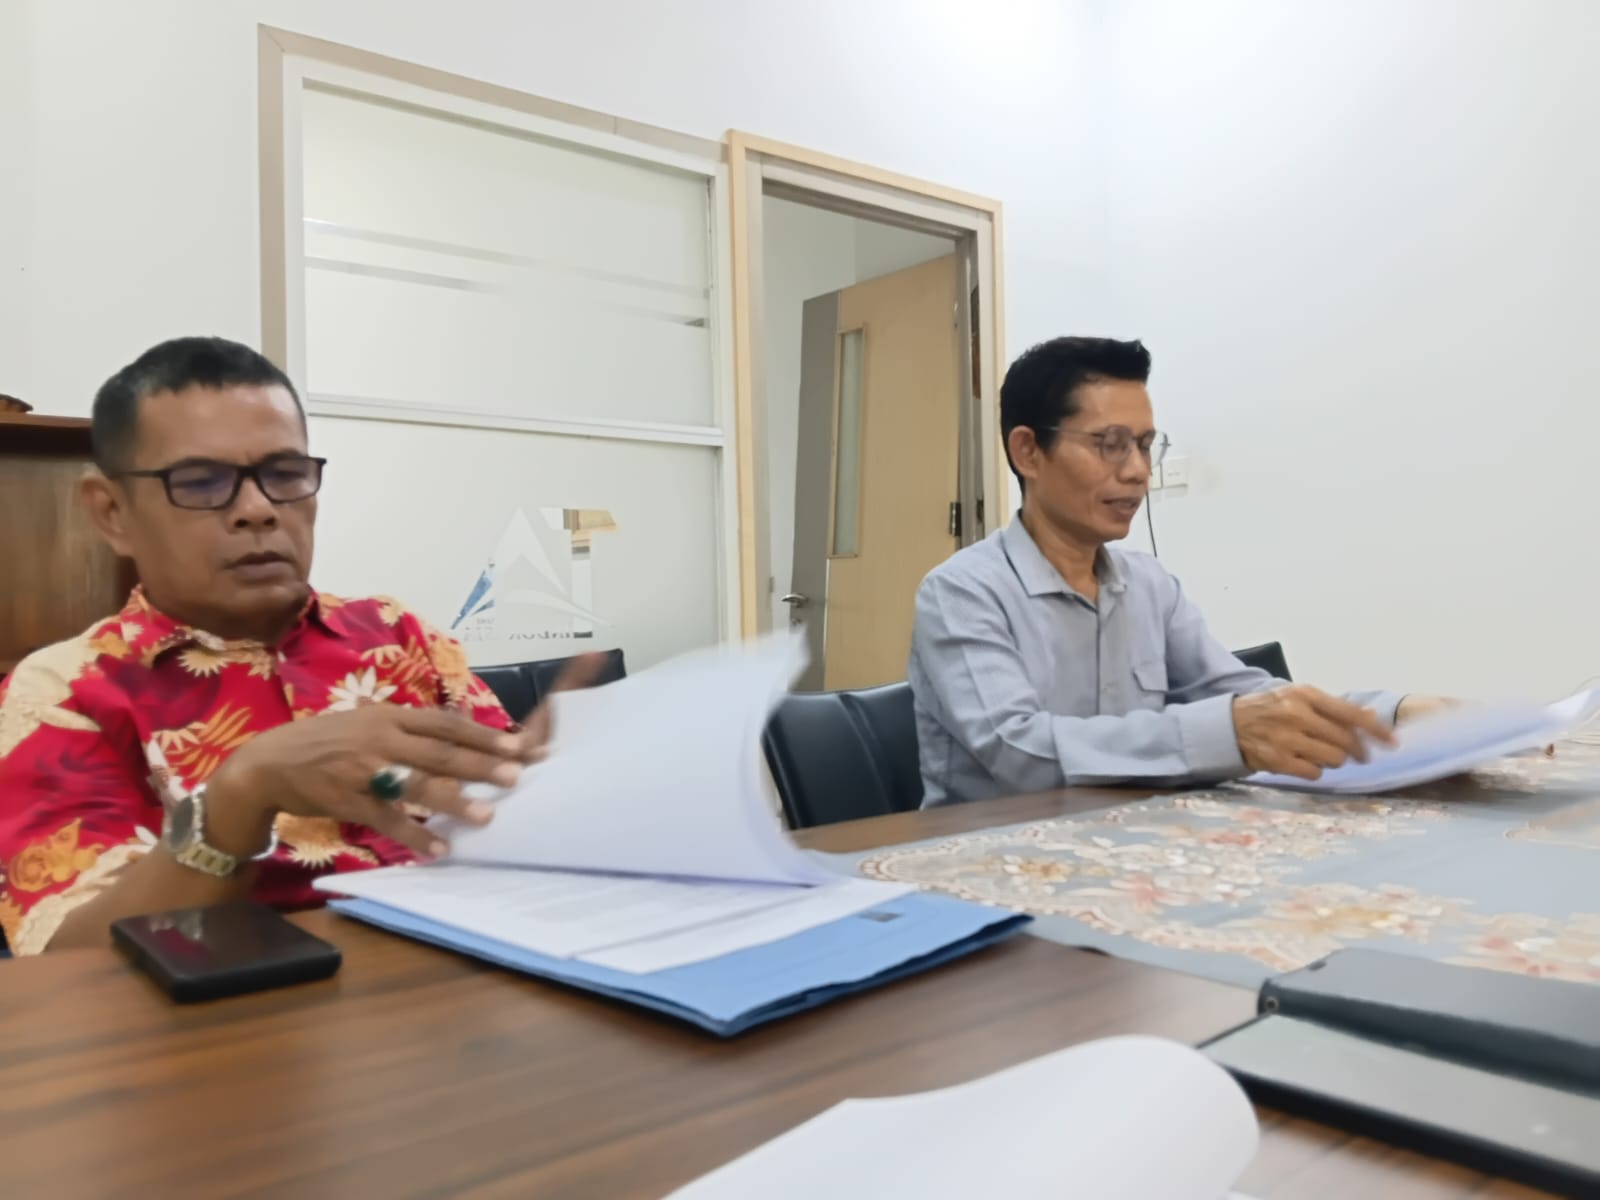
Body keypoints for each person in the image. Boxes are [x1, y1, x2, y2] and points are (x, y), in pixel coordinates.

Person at [0, 337, 593, 954]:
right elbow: (65, 961)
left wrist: (556, 771)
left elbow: (503, 812)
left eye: (284, 475)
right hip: (241, 1006)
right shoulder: (64, 691)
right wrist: (239, 796)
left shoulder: (399, 635)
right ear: (112, 514)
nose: (258, 510)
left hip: (455, 981)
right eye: (200, 483)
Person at [910, 336, 1445, 808]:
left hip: (1127, 840)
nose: (1137, 471)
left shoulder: (1149, 585)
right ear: (1028, 451)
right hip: (986, 853)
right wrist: (1227, 734)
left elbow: (1245, 696)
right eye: (1110, 445)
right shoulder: (961, 592)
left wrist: (1398, 714)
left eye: (1145, 445)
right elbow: (1018, 752)